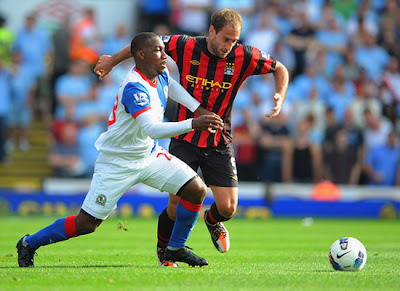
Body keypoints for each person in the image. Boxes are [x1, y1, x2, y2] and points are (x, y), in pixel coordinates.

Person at [94, 9, 289, 266]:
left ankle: (212, 220)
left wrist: (280, 95)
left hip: (219, 139)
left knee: (229, 208)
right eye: (226, 39)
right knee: (176, 204)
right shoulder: (184, 45)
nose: (230, 46)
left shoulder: (245, 55)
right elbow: (142, 45)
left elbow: (280, 69)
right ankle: (164, 253)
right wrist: (111, 61)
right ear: (211, 31)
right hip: (185, 137)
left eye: (235, 40)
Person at [16, 32, 224, 268]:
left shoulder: (160, 72)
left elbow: (171, 86)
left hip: (149, 155)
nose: (164, 55)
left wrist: (197, 109)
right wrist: (193, 123)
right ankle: (29, 243)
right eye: (158, 50)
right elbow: (152, 128)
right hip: (117, 163)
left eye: (163, 50)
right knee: (87, 224)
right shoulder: (134, 88)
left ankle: (174, 248)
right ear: (141, 55)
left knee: (196, 190)